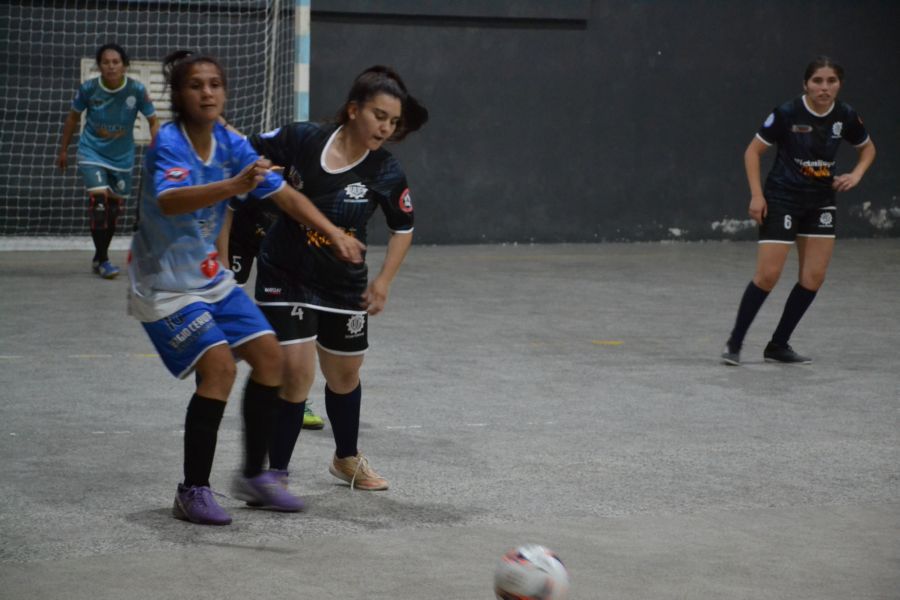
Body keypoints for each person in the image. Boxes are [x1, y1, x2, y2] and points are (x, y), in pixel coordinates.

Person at [128, 50, 364, 525]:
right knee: (218, 368)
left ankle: (255, 477)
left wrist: (334, 232)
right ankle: (192, 489)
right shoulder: (168, 142)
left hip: (211, 276)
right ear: (178, 94)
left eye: (215, 83)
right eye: (196, 84)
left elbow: (283, 194)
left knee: (270, 358)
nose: (208, 92)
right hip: (164, 283)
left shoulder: (231, 141)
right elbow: (172, 201)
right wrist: (234, 184)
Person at [238, 65, 427, 491]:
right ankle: (275, 474)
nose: (386, 127)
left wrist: (383, 281)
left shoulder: (386, 171)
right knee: (296, 372)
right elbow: (246, 150)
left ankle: (345, 459)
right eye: (379, 115)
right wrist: (254, 167)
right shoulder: (304, 138)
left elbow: (404, 227)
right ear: (353, 110)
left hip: (343, 283)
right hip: (285, 273)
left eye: (393, 121)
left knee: (344, 376)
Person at [722, 56, 876, 365]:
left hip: (820, 201)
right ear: (806, 84)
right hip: (782, 198)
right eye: (818, 81)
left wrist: (856, 175)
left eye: (831, 81)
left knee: (814, 276)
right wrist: (756, 195)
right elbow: (753, 152)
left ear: (839, 85)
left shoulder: (845, 116)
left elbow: (868, 148)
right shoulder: (787, 112)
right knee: (768, 275)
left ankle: (778, 345)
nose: (824, 87)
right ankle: (734, 343)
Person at [221, 195, 326, 430]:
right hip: (238, 231)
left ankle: (293, 396)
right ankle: (212, 391)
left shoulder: (299, 169)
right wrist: (222, 258)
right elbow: (225, 207)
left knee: (288, 318)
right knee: (223, 307)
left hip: (280, 233)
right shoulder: (246, 165)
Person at [57, 43, 159, 279]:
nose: (111, 66)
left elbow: (153, 121)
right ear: (99, 65)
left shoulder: (136, 90)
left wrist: (158, 150)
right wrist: (63, 150)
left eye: (116, 62)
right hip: (92, 152)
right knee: (99, 204)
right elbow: (72, 118)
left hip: (122, 157)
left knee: (113, 211)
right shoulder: (89, 89)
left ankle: (98, 255)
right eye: (106, 62)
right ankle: (103, 260)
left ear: (124, 65)